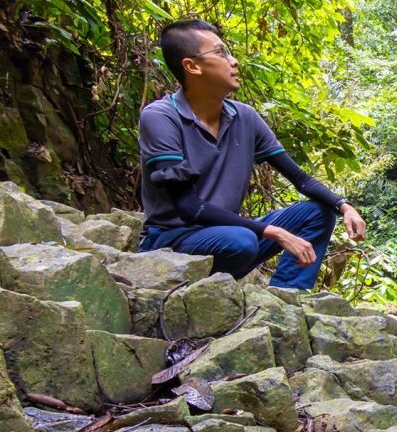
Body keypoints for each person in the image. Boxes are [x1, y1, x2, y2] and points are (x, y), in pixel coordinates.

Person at [136, 18, 367, 290]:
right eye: (221, 53)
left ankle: (287, 297)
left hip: (230, 235)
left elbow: (300, 179)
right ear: (191, 66)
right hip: (173, 239)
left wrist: (344, 206)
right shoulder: (160, 117)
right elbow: (189, 206)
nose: (233, 61)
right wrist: (274, 232)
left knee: (319, 212)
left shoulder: (244, 116)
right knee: (241, 242)